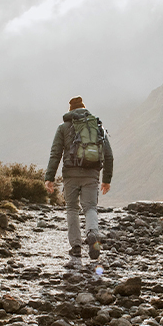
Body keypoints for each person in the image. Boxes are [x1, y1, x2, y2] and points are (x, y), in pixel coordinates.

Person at [44, 96, 114, 266]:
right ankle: (93, 233)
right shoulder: (96, 126)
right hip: (92, 174)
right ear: (84, 108)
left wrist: (49, 177)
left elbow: (56, 153)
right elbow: (108, 155)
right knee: (90, 207)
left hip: (70, 174)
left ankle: (76, 246)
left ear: (70, 110)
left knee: (72, 208)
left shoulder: (63, 128)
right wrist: (106, 179)